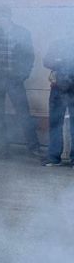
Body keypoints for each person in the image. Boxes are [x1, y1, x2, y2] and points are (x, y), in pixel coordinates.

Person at [0, 6, 40, 157]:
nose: (2, 19)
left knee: (23, 114)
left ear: (10, 16)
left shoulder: (22, 32)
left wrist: (23, 75)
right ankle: (2, 149)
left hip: (14, 80)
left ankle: (33, 148)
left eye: (4, 16)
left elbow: (29, 55)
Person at [41, 35, 74, 167]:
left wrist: (60, 61)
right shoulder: (57, 43)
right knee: (55, 122)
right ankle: (54, 157)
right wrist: (65, 62)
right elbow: (46, 61)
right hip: (58, 88)